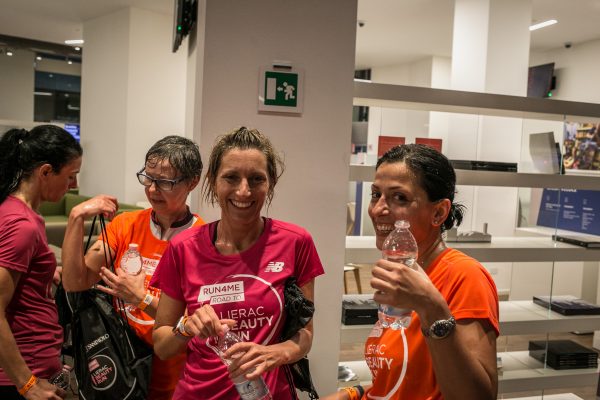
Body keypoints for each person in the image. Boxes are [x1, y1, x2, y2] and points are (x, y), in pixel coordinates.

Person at [151, 127, 325, 399]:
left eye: (256, 179)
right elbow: (162, 344)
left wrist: (273, 354)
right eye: (231, 178)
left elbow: (305, 336)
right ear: (212, 181)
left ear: (271, 183)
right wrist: (187, 327)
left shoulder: (295, 242)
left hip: (268, 394)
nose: (244, 191)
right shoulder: (183, 248)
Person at [330, 144, 499, 400]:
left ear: (439, 212)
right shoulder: (403, 274)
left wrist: (431, 307)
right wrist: (353, 393)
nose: (377, 210)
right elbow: (404, 378)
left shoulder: (465, 276)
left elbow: (477, 397)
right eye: (376, 195)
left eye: (399, 198)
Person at [61, 135, 204, 400]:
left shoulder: (203, 239)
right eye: (148, 178)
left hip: (177, 373)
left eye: (165, 182)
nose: (152, 189)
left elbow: (196, 319)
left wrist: (141, 298)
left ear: (192, 182)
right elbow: (75, 281)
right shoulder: (125, 224)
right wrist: (76, 217)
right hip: (125, 364)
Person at [0, 125, 84, 400]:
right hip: (23, 373)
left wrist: (47, 273)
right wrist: (27, 384)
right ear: (46, 171)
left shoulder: (21, 212)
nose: (74, 186)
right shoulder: (21, 224)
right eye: (71, 176)